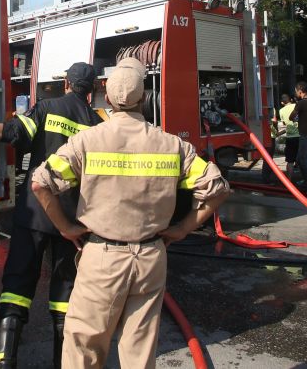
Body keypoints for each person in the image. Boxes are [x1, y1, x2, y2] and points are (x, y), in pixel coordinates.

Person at [31, 57, 229, 368]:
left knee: (83, 348)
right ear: (145, 98)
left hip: (102, 257)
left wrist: (66, 228)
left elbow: (41, 184)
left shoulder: (87, 141)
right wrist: (183, 228)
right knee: (139, 352)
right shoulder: (172, 145)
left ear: (106, 98)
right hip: (151, 257)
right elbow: (217, 189)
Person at [0, 62, 102, 369]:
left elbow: (8, 133)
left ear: (67, 84)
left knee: (17, 288)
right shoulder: (97, 124)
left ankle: (4, 360)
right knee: (65, 297)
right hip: (73, 223)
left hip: (35, 213)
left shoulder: (46, 109)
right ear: (92, 90)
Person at [278, 94, 299, 181]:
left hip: (290, 137)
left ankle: (289, 181)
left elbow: (284, 124)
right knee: (302, 160)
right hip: (300, 136)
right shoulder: (296, 106)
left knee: (290, 161)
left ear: (282, 102)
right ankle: (306, 179)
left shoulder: (281, 111)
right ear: (290, 99)